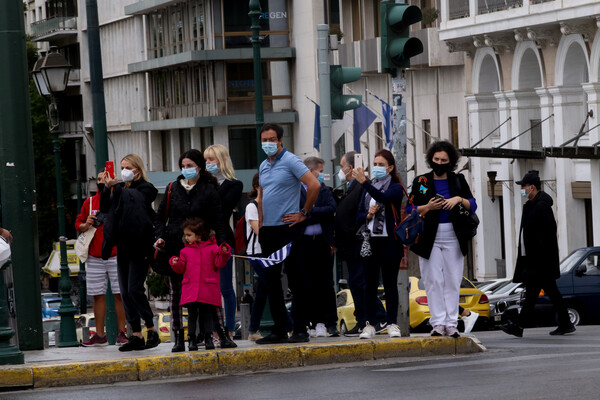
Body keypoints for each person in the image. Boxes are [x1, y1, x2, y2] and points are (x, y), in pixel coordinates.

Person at [153, 149, 227, 352]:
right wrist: (159, 236)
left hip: (204, 250)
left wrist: (222, 244)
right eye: (183, 166)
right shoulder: (172, 188)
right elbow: (160, 217)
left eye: (190, 166)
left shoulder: (209, 189)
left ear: (199, 167)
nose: (186, 170)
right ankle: (179, 338)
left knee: (209, 293)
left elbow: (219, 220)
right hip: (176, 249)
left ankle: (219, 333)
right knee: (176, 295)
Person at [255, 123, 320, 344]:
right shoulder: (264, 165)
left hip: (289, 228)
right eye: (264, 140)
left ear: (280, 140)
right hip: (269, 230)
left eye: (272, 139)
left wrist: (304, 213)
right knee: (271, 282)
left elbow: (314, 186)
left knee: (296, 279)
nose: (268, 144)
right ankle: (280, 329)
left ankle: (301, 329)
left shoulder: (291, 160)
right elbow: (261, 195)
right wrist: (261, 223)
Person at [406, 141, 477, 338]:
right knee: (433, 280)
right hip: (428, 236)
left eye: (444, 160)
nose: (439, 162)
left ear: (451, 162)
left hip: (454, 235)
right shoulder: (422, 182)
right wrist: (428, 207)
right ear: (431, 159)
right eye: (436, 159)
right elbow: (410, 209)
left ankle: (451, 323)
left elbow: (473, 204)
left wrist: (457, 200)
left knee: (453, 281)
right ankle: (437, 323)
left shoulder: (458, 180)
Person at [500, 171, 575, 337]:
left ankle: (520, 327)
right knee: (538, 294)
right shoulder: (531, 204)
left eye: (524, 186)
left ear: (532, 187)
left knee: (537, 294)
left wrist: (537, 254)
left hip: (540, 261)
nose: (522, 189)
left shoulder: (541, 206)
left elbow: (549, 231)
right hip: (535, 261)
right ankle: (563, 324)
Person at [100, 154, 160, 351]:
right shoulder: (121, 188)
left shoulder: (146, 188)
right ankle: (135, 333)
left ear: (138, 169)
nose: (124, 170)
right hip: (123, 244)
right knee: (125, 292)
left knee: (135, 288)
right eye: (122, 167)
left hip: (140, 243)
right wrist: (107, 187)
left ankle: (151, 329)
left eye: (128, 167)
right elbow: (106, 208)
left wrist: (117, 188)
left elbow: (137, 201)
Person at [352, 149, 404, 339]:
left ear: (390, 168)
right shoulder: (369, 188)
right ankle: (370, 324)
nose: (377, 168)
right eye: (375, 164)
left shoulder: (396, 187)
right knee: (369, 284)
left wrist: (364, 181)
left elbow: (384, 198)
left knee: (390, 284)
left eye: (381, 165)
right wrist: (367, 214)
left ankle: (392, 323)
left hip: (389, 242)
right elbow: (358, 215)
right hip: (370, 241)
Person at [75, 171, 128, 346]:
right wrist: (87, 223)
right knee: (97, 295)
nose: (101, 182)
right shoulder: (89, 202)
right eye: (98, 179)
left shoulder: (120, 199)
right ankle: (99, 334)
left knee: (119, 294)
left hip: (116, 253)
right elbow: (79, 225)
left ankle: (122, 332)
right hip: (95, 256)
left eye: (104, 179)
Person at [289, 156, 338, 338]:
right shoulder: (295, 191)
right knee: (305, 283)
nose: (322, 175)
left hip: (322, 242)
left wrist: (307, 212)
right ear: (309, 172)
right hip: (303, 243)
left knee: (326, 283)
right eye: (319, 171)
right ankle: (308, 322)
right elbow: (294, 214)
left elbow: (331, 209)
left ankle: (330, 323)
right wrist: (310, 213)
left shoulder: (324, 190)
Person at [170, 218, 232, 350]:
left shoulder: (213, 248)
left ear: (198, 235)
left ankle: (208, 338)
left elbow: (218, 263)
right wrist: (175, 263)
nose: (186, 238)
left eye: (189, 235)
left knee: (207, 315)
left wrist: (224, 253)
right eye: (185, 235)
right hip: (192, 289)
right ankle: (191, 339)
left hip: (207, 288)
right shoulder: (184, 251)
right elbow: (181, 268)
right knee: (192, 315)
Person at [204, 144, 243, 339]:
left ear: (222, 160)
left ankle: (228, 328)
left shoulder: (234, 184)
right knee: (207, 287)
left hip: (222, 239)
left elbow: (221, 207)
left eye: (211, 159)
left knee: (225, 287)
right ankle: (210, 329)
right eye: (206, 160)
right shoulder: (203, 183)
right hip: (203, 239)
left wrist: (206, 188)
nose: (208, 164)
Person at [333, 151, 367, 336]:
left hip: (357, 244)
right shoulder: (351, 188)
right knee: (356, 284)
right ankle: (364, 320)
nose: (340, 171)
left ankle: (370, 318)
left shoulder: (360, 187)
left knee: (360, 283)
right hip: (349, 246)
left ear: (351, 168)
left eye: (342, 166)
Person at [245, 173, 266, 341]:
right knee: (268, 287)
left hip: (269, 253)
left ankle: (253, 330)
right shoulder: (251, 207)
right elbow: (258, 230)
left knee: (264, 290)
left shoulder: (270, 205)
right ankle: (253, 329)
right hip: (256, 253)